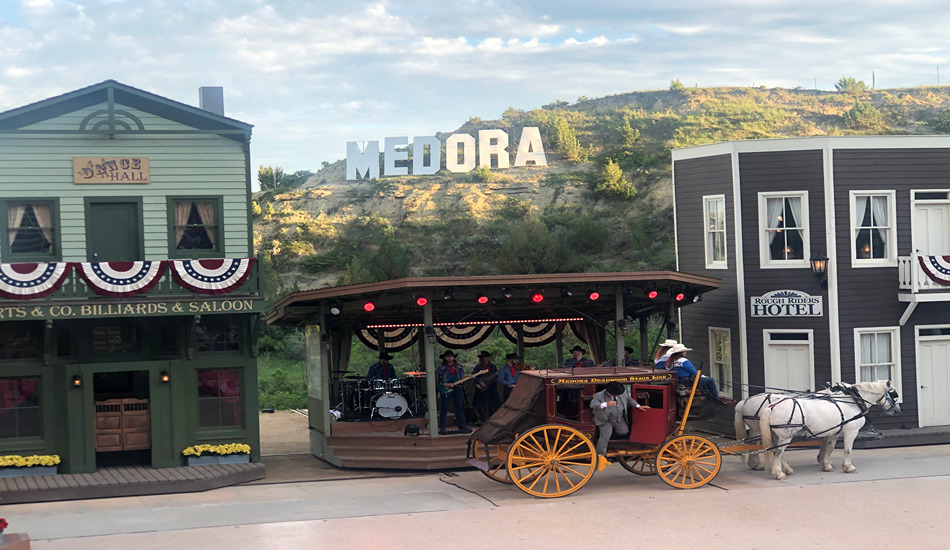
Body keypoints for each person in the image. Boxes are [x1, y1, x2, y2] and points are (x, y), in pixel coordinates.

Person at [591, 381, 650, 458]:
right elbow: (593, 404)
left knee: (624, 432)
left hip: (619, 418)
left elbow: (629, 399)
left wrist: (638, 406)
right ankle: (600, 455)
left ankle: (612, 442)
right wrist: (606, 404)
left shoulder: (622, 392)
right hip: (606, 420)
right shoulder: (599, 395)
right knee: (605, 437)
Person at [435, 350, 471, 434]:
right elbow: (438, 380)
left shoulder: (459, 367)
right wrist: (446, 384)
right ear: (444, 358)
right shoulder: (441, 368)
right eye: (448, 356)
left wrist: (467, 377)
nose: (450, 358)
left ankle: (462, 426)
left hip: (457, 388)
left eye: (451, 356)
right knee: (444, 408)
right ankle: (442, 427)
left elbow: (461, 377)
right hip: (446, 388)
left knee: (459, 407)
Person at [471, 351, 500, 423]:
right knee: (481, 406)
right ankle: (482, 419)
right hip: (482, 388)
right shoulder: (478, 367)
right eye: (484, 357)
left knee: (493, 405)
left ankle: (493, 419)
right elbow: (473, 376)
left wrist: (491, 381)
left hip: (491, 387)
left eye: (487, 357)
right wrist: (480, 382)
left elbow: (496, 376)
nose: (486, 358)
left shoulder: (493, 366)